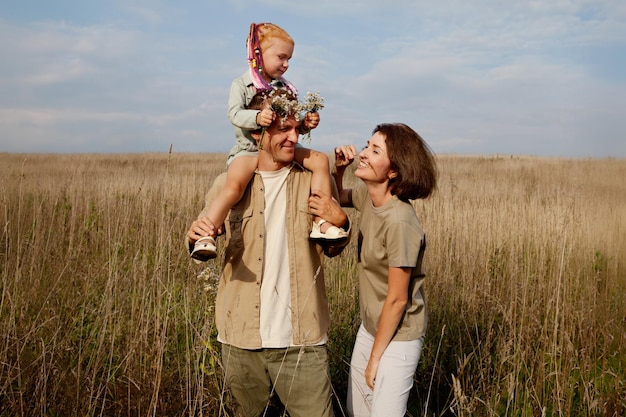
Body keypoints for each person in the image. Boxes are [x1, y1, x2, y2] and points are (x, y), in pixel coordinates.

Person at [186, 88, 351, 417]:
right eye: (282, 130)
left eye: (296, 129)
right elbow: (203, 237)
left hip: (301, 341)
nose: (293, 138)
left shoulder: (312, 181)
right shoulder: (227, 184)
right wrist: (194, 237)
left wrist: (342, 222)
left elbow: (333, 247)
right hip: (240, 338)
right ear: (257, 134)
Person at [191, 22, 346, 262]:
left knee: (319, 160)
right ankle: (207, 232)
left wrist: (305, 124)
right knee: (234, 184)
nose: (286, 64)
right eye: (281, 57)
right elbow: (233, 114)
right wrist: (256, 117)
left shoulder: (286, 87)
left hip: (279, 148)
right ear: (256, 54)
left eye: (289, 59)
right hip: (249, 150)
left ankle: (321, 221)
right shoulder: (241, 85)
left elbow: (288, 126)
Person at [332, 123, 438, 417]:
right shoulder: (369, 197)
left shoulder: (400, 222)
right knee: (358, 411)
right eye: (367, 145)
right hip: (371, 327)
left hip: (399, 334)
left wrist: (375, 358)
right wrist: (339, 169)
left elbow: (398, 299)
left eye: (375, 151)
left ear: (394, 171)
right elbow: (338, 196)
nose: (363, 154)